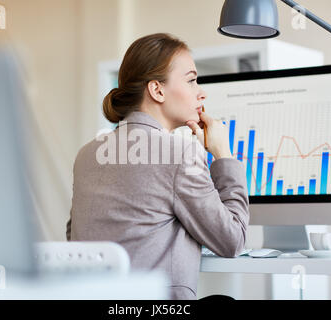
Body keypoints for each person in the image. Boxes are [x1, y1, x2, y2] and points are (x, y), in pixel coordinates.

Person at [66, 33, 249, 300]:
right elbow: (232, 241)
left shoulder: (87, 153)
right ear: (157, 90)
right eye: (191, 80)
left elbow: (76, 237)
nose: (201, 92)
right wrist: (223, 154)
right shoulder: (181, 153)